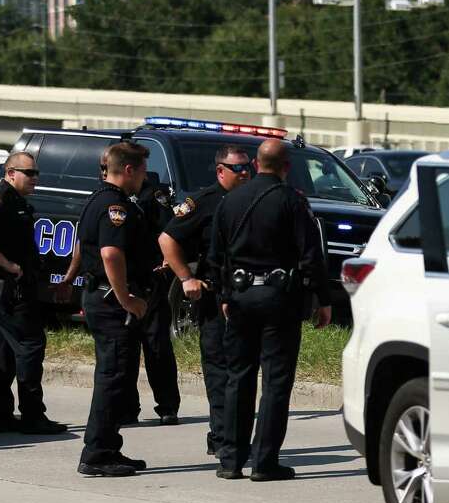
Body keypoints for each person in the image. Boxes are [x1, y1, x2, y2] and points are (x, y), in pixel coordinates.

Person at [208, 139, 333, 481]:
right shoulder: (292, 201)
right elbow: (311, 256)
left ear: (255, 165)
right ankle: (264, 463)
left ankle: (230, 460)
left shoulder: (229, 200)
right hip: (279, 299)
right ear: (286, 167)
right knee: (276, 382)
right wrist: (323, 299)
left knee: (238, 377)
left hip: (239, 297)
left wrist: (223, 294)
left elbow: (216, 256)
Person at [158, 145, 252, 460]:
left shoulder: (252, 199)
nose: (244, 173)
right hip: (214, 298)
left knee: (243, 371)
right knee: (221, 371)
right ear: (220, 170)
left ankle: (231, 434)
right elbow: (167, 240)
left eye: (247, 167)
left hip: (247, 298)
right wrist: (186, 278)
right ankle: (224, 437)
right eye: (237, 168)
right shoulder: (202, 203)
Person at [0, 152, 66, 435]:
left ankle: (0, 415)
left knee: (3, 350)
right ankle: (33, 415)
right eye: (29, 173)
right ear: (10, 173)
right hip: (4, 288)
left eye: (36, 173)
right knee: (30, 344)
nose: (36, 179)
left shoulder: (16, 200)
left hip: (8, 288)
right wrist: (6, 264)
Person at [75, 142, 155, 477]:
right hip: (112, 304)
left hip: (103, 299)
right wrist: (126, 299)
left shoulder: (98, 199)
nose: (145, 178)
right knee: (113, 377)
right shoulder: (113, 206)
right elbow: (110, 254)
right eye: (142, 171)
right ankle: (97, 453)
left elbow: (83, 245)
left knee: (114, 376)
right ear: (129, 170)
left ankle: (107, 446)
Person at [122, 174, 181, 426]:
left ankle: (167, 406)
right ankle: (126, 407)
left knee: (157, 345)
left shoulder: (154, 195)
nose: (104, 172)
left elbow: (169, 229)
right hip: (124, 280)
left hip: (151, 278)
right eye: (102, 168)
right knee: (124, 349)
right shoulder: (110, 196)